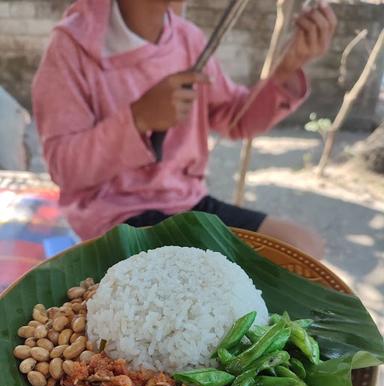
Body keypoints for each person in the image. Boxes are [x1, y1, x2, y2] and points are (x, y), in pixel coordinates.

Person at [33, 0, 336, 259]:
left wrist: (286, 69)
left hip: (185, 203)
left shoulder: (187, 39)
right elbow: (64, 168)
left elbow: (236, 119)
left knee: (303, 247)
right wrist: (138, 119)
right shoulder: (72, 47)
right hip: (115, 218)